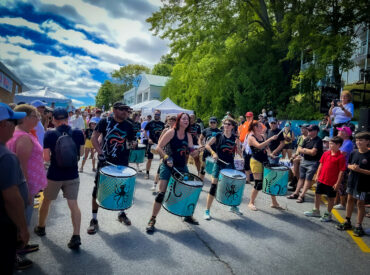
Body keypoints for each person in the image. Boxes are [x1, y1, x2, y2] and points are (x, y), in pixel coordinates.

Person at [34, 108, 85, 250]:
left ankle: (41, 227)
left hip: (54, 174)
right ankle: (76, 236)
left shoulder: (49, 134)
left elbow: (46, 157)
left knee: (46, 201)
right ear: (68, 119)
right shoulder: (77, 132)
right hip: (72, 174)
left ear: (54, 120)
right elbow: (81, 153)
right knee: (73, 204)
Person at [146, 113, 199, 233]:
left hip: (181, 166)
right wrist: (165, 157)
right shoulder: (171, 132)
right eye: (184, 119)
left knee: (188, 191)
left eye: (188, 119)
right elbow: (159, 147)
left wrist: (196, 152)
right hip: (167, 165)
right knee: (161, 194)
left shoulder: (189, 136)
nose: (187, 120)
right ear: (179, 120)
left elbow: (191, 152)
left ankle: (187, 215)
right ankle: (152, 219)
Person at [87, 102, 136, 235]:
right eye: (122, 110)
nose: (125, 112)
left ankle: (121, 213)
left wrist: (134, 144)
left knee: (122, 188)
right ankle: (94, 219)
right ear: (114, 110)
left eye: (127, 110)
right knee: (97, 188)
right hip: (105, 161)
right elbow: (94, 137)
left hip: (122, 163)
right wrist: (100, 153)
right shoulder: (104, 122)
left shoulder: (129, 125)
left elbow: (131, 142)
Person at [0, 103, 33, 272]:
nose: (15, 127)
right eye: (13, 123)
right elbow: (11, 197)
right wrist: (22, 228)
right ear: (3, 125)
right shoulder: (6, 157)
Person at [6, 104, 47, 227]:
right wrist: (27, 192)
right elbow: (22, 167)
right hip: (25, 186)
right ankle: (21, 244)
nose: (38, 119)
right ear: (25, 118)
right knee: (23, 218)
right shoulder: (24, 137)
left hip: (20, 185)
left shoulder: (18, 133)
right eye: (35, 116)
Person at [204, 118, 243, 219]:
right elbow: (207, 145)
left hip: (230, 165)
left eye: (229, 124)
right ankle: (207, 210)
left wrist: (240, 151)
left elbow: (238, 151)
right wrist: (213, 153)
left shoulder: (235, 138)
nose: (226, 125)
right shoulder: (218, 135)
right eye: (225, 124)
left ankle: (233, 207)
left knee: (232, 186)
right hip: (219, 164)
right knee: (213, 186)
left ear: (232, 127)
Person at [304, 136, 346, 222]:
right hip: (322, 179)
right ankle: (316, 210)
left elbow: (342, 171)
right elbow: (321, 164)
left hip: (332, 182)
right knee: (317, 194)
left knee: (331, 198)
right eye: (330, 143)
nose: (330, 145)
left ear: (339, 145)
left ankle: (328, 214)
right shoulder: (326, 153)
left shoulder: (341, 157)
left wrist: (337, 183)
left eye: (332, 144)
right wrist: (317, 175)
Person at [337, 132, 370, 236]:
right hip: (352, 181)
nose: (358, 142)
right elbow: (349, 165)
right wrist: (352, 167)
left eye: (361, 140)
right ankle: (347, 221)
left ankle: (358, 225)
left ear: (367, 141)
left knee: (360, 203)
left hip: (363, 183)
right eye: (357, 140)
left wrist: (359, 170)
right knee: (350, 200)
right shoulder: (353, 152)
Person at [247, 120, 282, 211]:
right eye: (259, 126)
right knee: (258, 183)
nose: (261, 127)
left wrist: (270, 154)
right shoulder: (251, 137)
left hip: (265, 160)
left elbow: (266, 147)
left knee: (270, 181)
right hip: (256, 161)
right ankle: (251, 203)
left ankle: (274, 202)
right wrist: (270, 139)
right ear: (254, 127)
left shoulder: (262, 136)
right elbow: (259, 146)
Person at [287, 125, 323, 203]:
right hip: (305, 160)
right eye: (308, 130)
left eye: (311, 130)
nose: (309, 131)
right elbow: (299, 149)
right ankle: (296, 193)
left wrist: (304, 150)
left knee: (308, 179)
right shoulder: (307, 139)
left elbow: (313, 153)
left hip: (313, 162)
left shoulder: (318, 140)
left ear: (316, 131)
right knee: (301, 178)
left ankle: (302, 196)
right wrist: (307, 150)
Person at [151, 115, 177, 192]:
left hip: (173, 154)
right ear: (168, 121)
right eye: (170, 120)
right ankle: (155, 185)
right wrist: (163, 147)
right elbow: (159, 142)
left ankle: (168, 188)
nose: (171, 122)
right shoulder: (166, 130)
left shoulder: (177, 131)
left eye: (173, 120)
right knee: (160, 169)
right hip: (165, 152)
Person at [334, 126, 354, 210]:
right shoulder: (343, 142)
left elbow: (341, 154)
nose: (338, 132)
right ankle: (336, 201)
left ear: (346, 134)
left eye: (340, 131)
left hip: (343, 167)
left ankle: (342, 203)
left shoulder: (348, 143)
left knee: (341, 185)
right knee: (337, 184)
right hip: (338, 166)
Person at [198, 117, 221, 181]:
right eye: (211, 122)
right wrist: (200, 145)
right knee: (203, 169)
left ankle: (214, 184)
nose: (212, 124)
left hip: (215, 153)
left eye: (214, 122)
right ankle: (200, 183)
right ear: (209, 123)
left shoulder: (220, 132)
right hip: (206, 151)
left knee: (215, 170)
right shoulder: (205, 130)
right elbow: (200, 139)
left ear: (217, 123)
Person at [144, 110, 165, 180]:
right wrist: (148, 138)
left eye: (158, 114)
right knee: (149, 159)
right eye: (156, 114)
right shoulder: (150, 123)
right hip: (151, 143)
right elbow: (145, 131)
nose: (157, 116)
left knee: (162, 159)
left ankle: (159, 174)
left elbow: (165, 133)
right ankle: (147, 173)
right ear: (154, 114)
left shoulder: (162, 124)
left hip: (160, 144)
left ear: (160, 115)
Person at [289, 124, 309, 190]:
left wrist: (297, 156)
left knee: (296, 161)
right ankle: (296, 183)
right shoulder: (300, 137)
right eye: (301, 128)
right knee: (293, 160)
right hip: (300, 155)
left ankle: (295, 180)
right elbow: (298, 148)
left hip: (306, 156)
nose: (301, 129)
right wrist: (294, 155)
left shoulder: (309, 138)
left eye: (303, 128)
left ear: (307, 129)